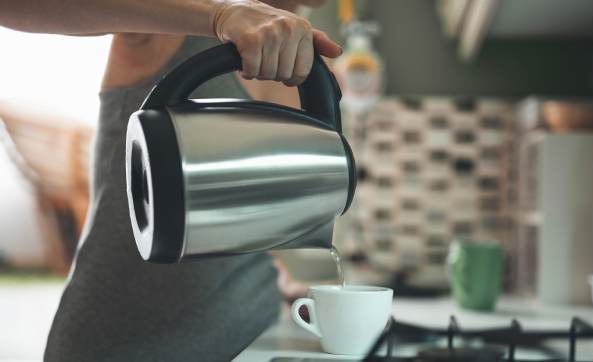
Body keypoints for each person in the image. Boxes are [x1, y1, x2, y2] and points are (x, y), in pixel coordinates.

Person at [0, 0, 340, 361]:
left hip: (254, 337)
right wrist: (219, 15)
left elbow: (239, 203)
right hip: (130, 344)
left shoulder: (309, 63)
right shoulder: (181, 18)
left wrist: (277, 273)